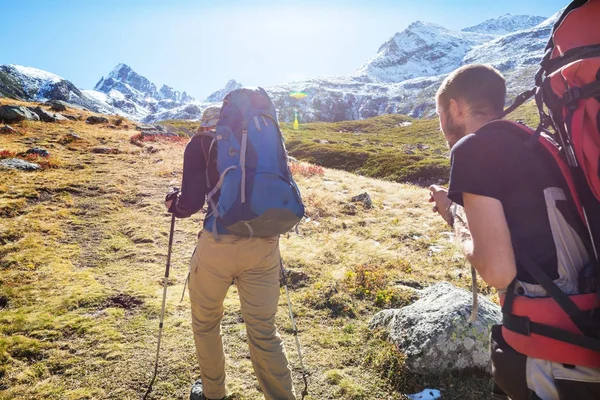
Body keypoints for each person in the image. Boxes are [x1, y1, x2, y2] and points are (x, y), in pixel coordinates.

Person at [429, 64, 600, 399]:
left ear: (454, 108)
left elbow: (498, 271)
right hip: (587, 328)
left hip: (556, 352)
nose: (440, 125)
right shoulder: (539, 142)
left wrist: (452, 216)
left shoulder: (473, 149)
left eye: (439, 113)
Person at [165, 104, 297, 400]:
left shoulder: (200, 143)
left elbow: (190, 204)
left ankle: (214, 394)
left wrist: (173, 202)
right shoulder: (264, 140)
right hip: (264, 244)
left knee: (206, 322)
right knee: (264, 331)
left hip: (218, 246)